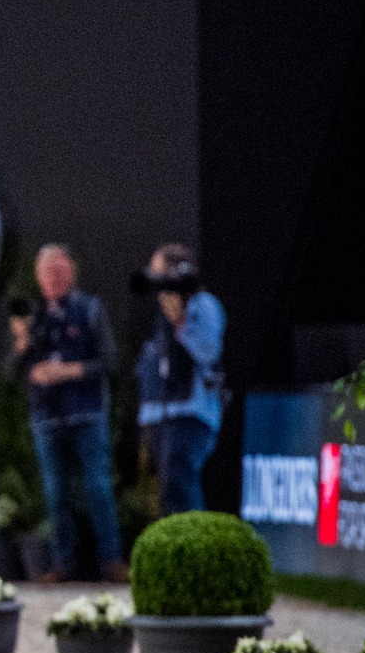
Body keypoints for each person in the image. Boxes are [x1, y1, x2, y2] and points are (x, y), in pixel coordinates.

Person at [17, 245, 125, 584]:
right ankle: (63, 563)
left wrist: (67, 372)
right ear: (39, 278)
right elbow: (11, 370)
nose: (53, 278)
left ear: (71, 273)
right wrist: (24, 348)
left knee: (98, 488)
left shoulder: (89, 310)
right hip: (47, 417)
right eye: (47, 273)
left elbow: (109, 362)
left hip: (87, 414)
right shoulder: (34, 317)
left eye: (59, 271)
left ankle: (111, 561)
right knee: (55, 493)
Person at [135, 243, 226, 516]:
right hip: (160, 412)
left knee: (180, 483)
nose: (155, 279)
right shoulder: (161, 312)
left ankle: (196, 541)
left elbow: (208, 351)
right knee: (167, 490)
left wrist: (182, 323)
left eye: (159, 272)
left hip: (191, 411)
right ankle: (177, 541)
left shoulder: (202, 304)